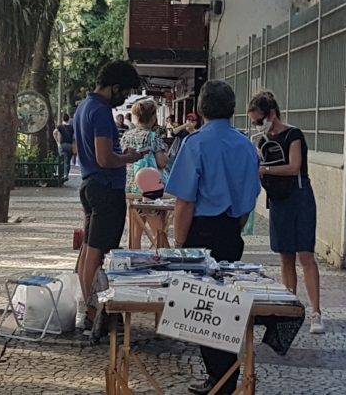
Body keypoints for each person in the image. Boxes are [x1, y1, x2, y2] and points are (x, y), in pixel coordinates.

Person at [166, 81, 260, 395]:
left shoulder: (195, 143)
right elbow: (248, 201)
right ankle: (223, 375)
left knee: (201, 308)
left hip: (201, 229)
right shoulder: (246, 144)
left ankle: (220, 377)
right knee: (225, 302)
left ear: (202, 108)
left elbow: (185, 202)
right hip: (231, 229)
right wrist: (233, 225)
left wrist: (180, 244)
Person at [73, 61, 144, 327]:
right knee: (97, 251)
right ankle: (93, 312)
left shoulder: (84, 106)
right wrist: (127, 157)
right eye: (124, 92)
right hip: (105, 187)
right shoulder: (101, 111)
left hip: (90, 184)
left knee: (88, 248)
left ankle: (86, 306)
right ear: (114, 87)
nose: (124, 97)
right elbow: (104, 158)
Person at [247, 90, 324, 334]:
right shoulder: (263, 140)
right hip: (278, 199)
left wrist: (266, 169)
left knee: (306, 255)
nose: (258, 125)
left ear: (270, 114)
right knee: (285, 255)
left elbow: (294, 167)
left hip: (299, 197)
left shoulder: (293, 134)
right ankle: (290, 305)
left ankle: (316, 311)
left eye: (259, 120)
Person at [121, 99, 170, 249]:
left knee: (134, 234)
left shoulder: (126, 136)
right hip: (150, 191)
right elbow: (162, 162)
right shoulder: (153, 137)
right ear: (154, 118)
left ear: (135, 117)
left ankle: (134, 258)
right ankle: (163, 257)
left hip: (131, 189)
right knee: (158, 233)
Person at [53, 113, 75, 179]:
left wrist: (57, 142)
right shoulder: (72, 127)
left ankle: (61, 174)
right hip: (70, 145)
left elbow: (54, 132)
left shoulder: (60, 127)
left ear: (63, 119)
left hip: (62, 145)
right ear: (68, 119)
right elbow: (74, 137)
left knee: (62, 160)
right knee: (68, 161)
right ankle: (66, 174)